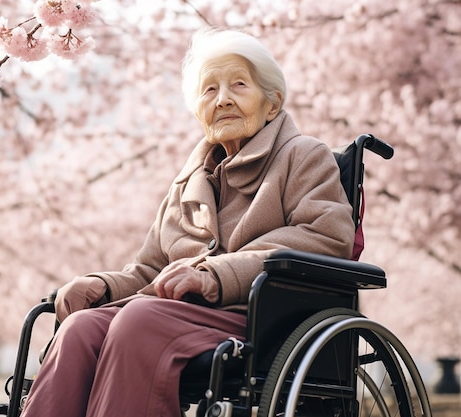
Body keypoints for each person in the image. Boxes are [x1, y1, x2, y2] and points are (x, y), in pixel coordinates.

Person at [20, 27, 355, 417]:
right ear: (198, 109)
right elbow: (149, 270)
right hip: (175, 315)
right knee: (79, 328)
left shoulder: (303, 156)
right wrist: (104, 285)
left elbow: (325, 237)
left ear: (272, 103)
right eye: (209, 90)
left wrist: (215, 274)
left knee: (139, 321)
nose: (223, 99)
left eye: (239, 85)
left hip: (261, 321)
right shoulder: (187, 183)